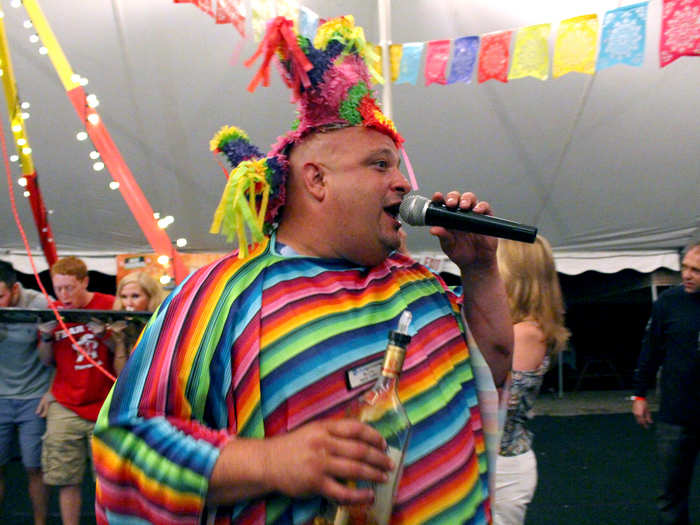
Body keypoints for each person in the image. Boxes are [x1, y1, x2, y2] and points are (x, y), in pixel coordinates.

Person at [93, 15, 513, 525]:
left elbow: (491, 368)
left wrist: (481, 271)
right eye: (380, 165)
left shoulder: (419, 283)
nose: (403, 183)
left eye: (398, 167)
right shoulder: (224, 294)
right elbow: (124, 448)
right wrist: (271, 462)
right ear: (316, 179)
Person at [492, 236, 570, 525]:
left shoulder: (525, 333)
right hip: (501, 464)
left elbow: (501, 407)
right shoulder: (521, 328)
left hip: (503, 468)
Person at [37, 256, 115, 525]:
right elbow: (47, 361)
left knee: (106, 480)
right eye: (58, 288)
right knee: (65, 478)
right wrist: (46, 335)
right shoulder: (54, 310)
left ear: (85, 281)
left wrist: (105, 334)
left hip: (104, 403)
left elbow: (127, 357)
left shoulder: (108, 304)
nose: (63, 295)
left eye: (69, 287)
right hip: (65, 402)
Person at [632, 241, 700, 525]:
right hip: (676, 414)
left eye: (696, 270)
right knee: (671, 495)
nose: (686, 274)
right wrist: (639, 396)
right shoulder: (669, 303)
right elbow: (651, 351)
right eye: (684, 267)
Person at [0, 261, 51, 525]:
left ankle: (40, 522)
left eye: (0, 296)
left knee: (34, 467)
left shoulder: (40, 304)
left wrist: (52, 391)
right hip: (0, 397)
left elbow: (59, 355)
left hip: (34, 396)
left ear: (16, 288)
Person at [109, 271, 166, 374]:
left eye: (135, 296)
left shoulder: (164, 324)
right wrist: (119, 341)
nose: (128, 303)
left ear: (150, 298)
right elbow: (121, 374)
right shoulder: (123, 326)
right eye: (124, 297)